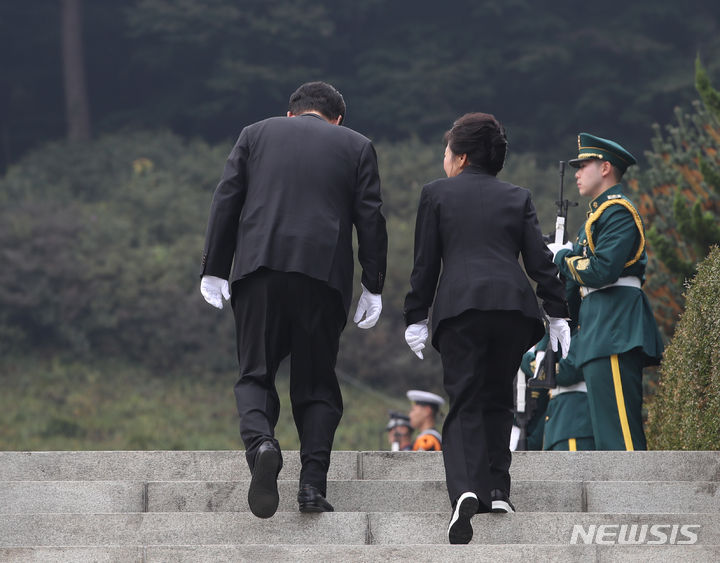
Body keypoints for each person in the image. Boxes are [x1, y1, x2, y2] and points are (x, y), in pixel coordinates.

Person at [199, 81, 388, 518]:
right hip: (322, 277)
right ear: (338, 119)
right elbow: (370, 218)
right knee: (317, 384)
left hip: (258, 270)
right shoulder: (357, 145)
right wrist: (372, 283)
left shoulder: (254, 134)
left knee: (255, 374)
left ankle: (262, 444)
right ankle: (311, 487)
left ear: (291, 113)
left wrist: (213, 267)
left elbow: (226, 199)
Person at [403, 112, 570, 544]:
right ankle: (498, 489)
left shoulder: (436, 195)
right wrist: (558, 311)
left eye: (446, 152)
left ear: (459, 158)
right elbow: (539, 260)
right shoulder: (517, 196)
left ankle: (465, 491)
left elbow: (425, 265)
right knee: (497, 397)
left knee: (464, 399)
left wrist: (415, 316)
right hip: (514, 310)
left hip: (461, 308)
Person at [548, 133, 664, 451]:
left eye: (583, 165)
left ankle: (634, 499)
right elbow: (576, 287)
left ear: (605, 168)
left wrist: (562, 256)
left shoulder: (617, 212)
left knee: (620, 436)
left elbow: (602, 271)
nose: (576, 173)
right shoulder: (596, 218)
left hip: (615, 327)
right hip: (601, 329)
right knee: (608, 438)